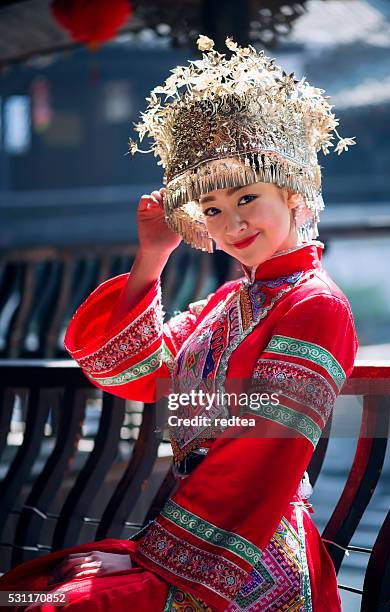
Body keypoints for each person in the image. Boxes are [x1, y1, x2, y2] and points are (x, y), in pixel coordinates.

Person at [0, 35, 358, 611]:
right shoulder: (226, 303)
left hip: (246, 557)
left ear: (292, 196)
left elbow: (262, 453)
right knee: (24, 594)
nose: (232, 222)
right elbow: (129, 372)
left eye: (247, 197)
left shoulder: (315, 306)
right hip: (190, 540)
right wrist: (152, 256)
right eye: (212, 210)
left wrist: (150, 556)